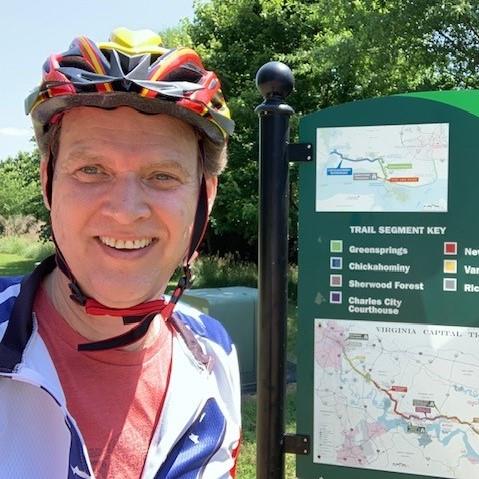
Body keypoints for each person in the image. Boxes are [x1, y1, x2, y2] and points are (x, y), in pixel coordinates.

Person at [0, 27, 241, 478]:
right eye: (91, 169)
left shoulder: (214, 353)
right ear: (48, 181)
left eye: (162, 176)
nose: (126, 211)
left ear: (204, 196)